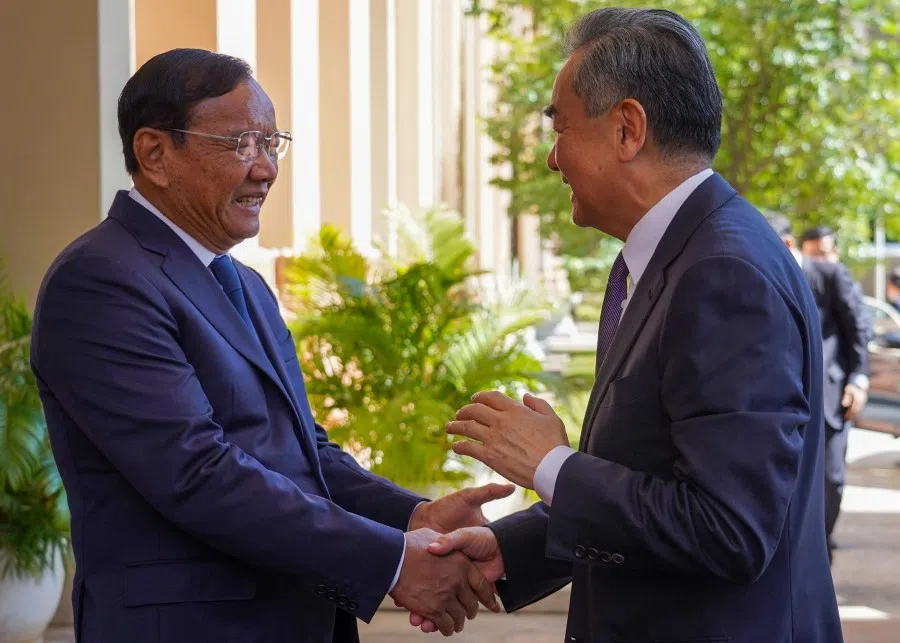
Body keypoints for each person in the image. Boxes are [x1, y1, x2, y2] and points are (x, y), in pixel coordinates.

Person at [30, 48, 511, 643]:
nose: (265, 169)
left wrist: (412, 517)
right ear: (155, 153)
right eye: (240, 144)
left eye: (271, 143)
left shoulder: (246, 284)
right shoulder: (101, 280)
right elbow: (198, 473)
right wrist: (392, 561)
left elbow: (303, 452)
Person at [414, 8, 842, 642]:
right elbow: (657, 481)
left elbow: (729, 530)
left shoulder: (723, 272)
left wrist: (551, 463)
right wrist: (514, 549)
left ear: (627, 128)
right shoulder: (689, 253)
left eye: (559, 128)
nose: (553, 159)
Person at [771, 215, 871, 563]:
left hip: (830, 397)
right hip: (781, 399)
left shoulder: (829, 275)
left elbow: (857, 327)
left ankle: (820, 543)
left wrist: (859, 378)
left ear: (785, 245)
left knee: (831, 479)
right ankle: (802, 552)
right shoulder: (761, 275)